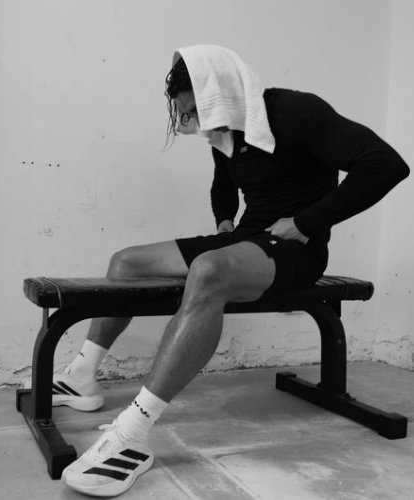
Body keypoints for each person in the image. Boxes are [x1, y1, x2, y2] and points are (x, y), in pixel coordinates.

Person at [59, 45, 409, 496]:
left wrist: (307, 223)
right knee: (125, 262)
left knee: (208, 271)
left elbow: (386, 165)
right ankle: (81, 376)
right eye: (186, 113)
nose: (193, 123)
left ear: (220, 93)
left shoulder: (295, 112)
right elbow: (223, 183)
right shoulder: (226, 131)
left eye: (196, 111)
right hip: (245, 239)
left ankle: (133, 433)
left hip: (295, 250)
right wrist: (224, 220)